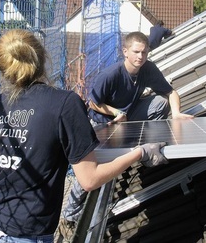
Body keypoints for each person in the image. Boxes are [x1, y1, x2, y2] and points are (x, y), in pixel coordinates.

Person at [0, 29, 168, 243]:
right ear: (43, 59)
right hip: (28, 233)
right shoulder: (64, 104)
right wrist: (140, 152)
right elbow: (89, 180)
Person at [61, 31, 193, 235]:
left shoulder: (147, 69)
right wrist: (115, 112)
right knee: (90, 168)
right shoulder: (110, 75)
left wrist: (175, 113)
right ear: (125, 52)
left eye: (144, 52)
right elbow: (93, 103)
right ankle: (70, 215)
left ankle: (142, 144)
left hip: (127, 117)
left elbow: (170, 92)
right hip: (103, 122)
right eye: (136, 52)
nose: (141, 56)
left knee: (160, 103)